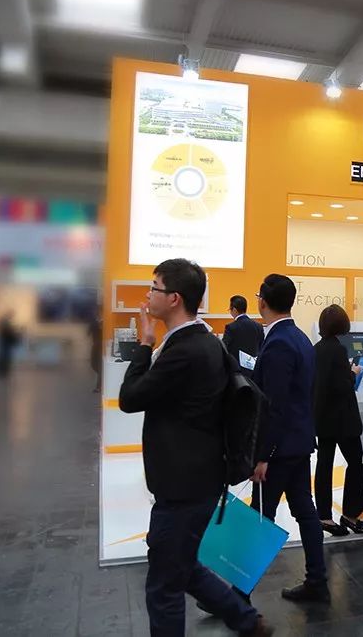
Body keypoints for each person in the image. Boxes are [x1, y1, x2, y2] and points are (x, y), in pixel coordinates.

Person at [118, 259, 270, 637]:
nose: (147, 295)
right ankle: (247, 621)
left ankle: (247, 620)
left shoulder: (185, 350)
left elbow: (130, 397)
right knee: (181, 566)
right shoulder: (204, 341)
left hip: (184, 484)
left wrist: (144, 343)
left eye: (153, 288)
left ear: (174, 298)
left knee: (164, 585)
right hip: (196, 477)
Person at [250, 274, 328, 602]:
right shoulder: (300, 338)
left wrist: (263, 455)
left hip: (279, 448)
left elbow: (274, 405)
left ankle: (237, 595)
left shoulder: (279, 343)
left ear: (263, 301)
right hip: (298, 442)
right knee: (305, 512)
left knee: (259, 517)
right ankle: (317, 580)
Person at [312, 304, 363, 537]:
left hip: (323, 418)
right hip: (343, 420)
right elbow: (342, 386)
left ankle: (324, 516)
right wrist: (352, 373)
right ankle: (351, 514)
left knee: (324, 466)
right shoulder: (337, 350)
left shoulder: (317, 349)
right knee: (357, 462)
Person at [222, 295, 264, 376]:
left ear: (234, 310)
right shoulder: (258, 326)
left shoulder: (231, 327)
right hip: (254, 371)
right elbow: (262, 347)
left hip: (236, 372)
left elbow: (224, 348)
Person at [0, 311, 22, 379]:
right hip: (5, 342)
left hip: (5, 342)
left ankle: (3, 371)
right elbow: (7, 332)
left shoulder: (5, 323)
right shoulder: (5, 323)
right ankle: (3, 371)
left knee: (4, 356)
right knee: (4, 356)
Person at [89, 315, 102, 393]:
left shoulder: (105, 324)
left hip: (101, 346)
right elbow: (88, 333)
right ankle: (100, 384)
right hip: (96, 345)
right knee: (93, 364)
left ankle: (99, 386)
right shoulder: (94, 323)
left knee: (100, 367)